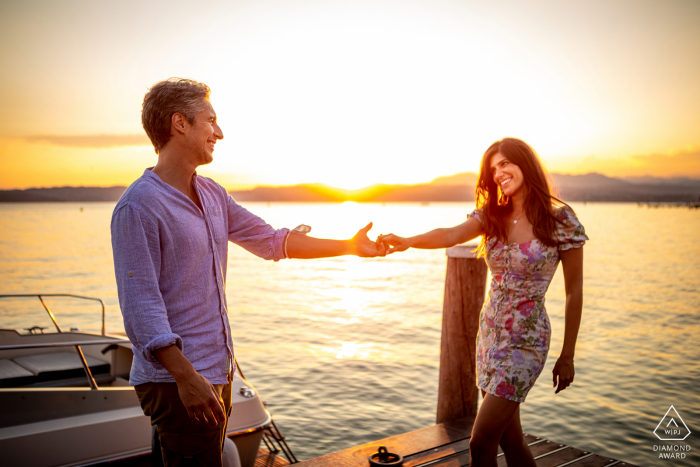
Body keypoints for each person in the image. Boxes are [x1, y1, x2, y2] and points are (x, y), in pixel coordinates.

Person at [110, 78, 386, 466]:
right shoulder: (138, 207)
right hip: (177, 381)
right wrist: (187, 379)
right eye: (211, 120)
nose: (219, 133)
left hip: (213, 370)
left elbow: (271, 240)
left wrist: (349, 247)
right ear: (180, 124)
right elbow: (141, 309)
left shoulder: (212, 194)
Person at [377, 138, 588, 467]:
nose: (499, 173)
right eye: (493, 169)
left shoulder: (561, 221)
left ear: (524, 163)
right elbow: (451, 234)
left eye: (505, 163)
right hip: (490, 336)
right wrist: (409, 241)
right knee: (510, 438)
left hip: (525, 342)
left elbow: (574, 291)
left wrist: (568, 355)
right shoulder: (493, 215)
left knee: (480, 443)